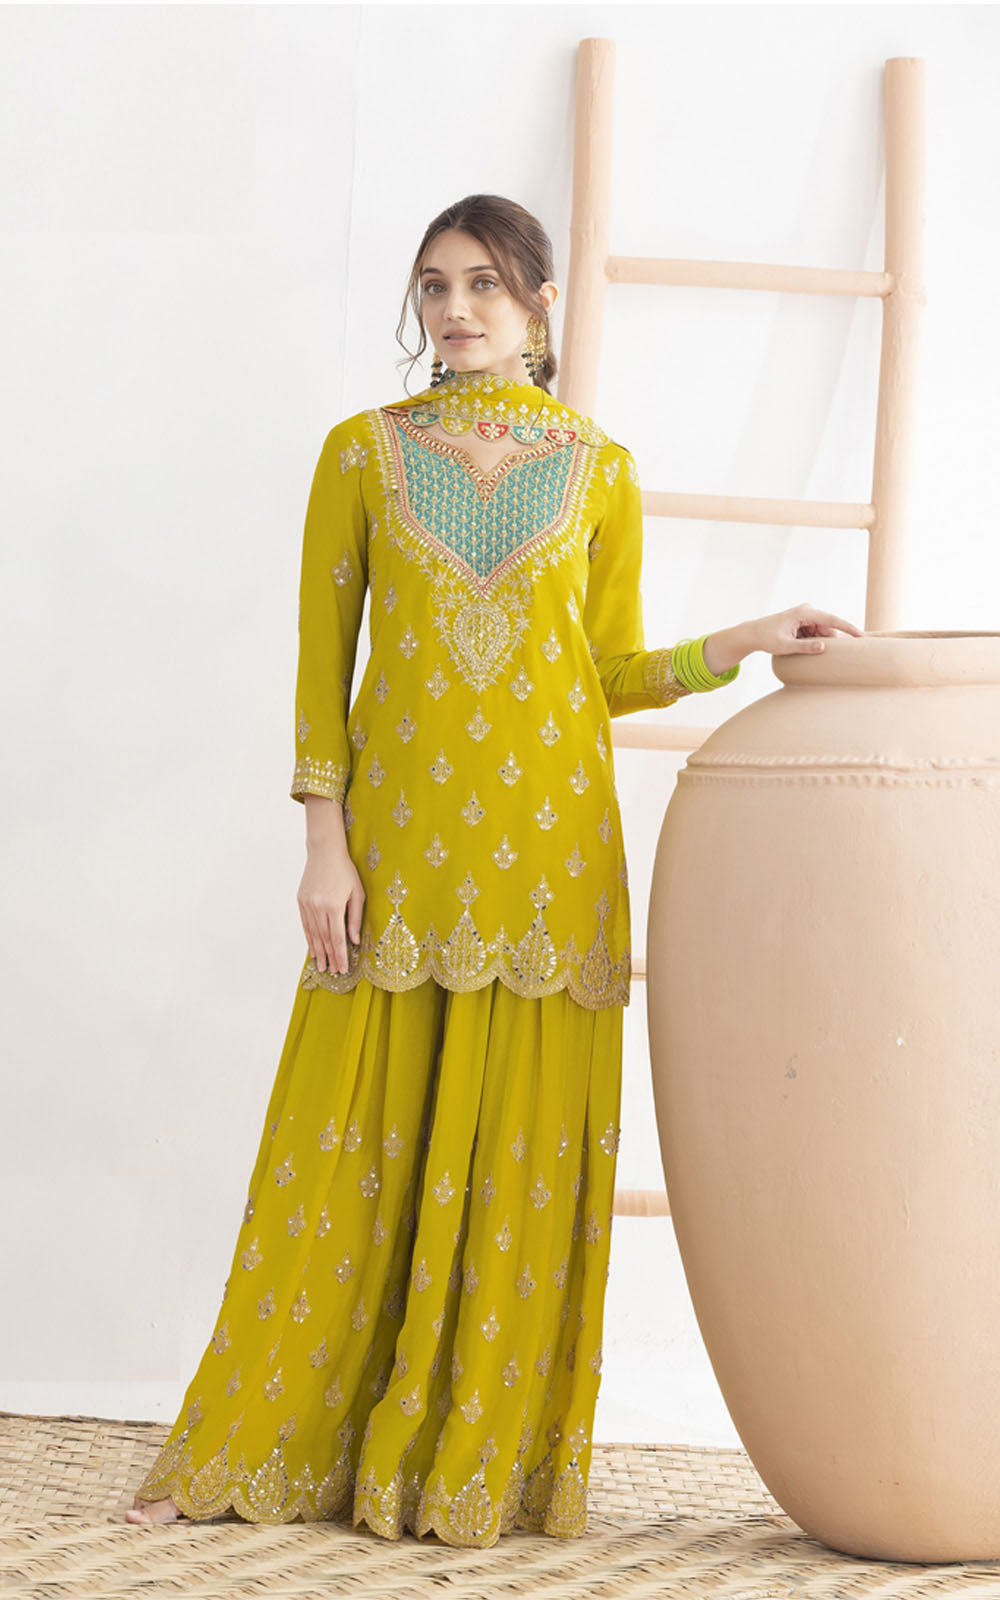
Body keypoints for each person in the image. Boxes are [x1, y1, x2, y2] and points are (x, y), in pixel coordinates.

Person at [126, 194, 862, 1546]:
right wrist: (323, 844)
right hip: (400, 851)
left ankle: (469, 1465)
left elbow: (604, 671)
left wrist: (744, 638)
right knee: (343, 1137)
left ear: (540, 305)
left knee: (519, 1150)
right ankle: (259, 1444)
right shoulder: (362, 454)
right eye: (434, 285)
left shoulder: (601, 469)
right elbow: (322, 670)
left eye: (483, 285)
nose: (455, 310)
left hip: (549, 852)